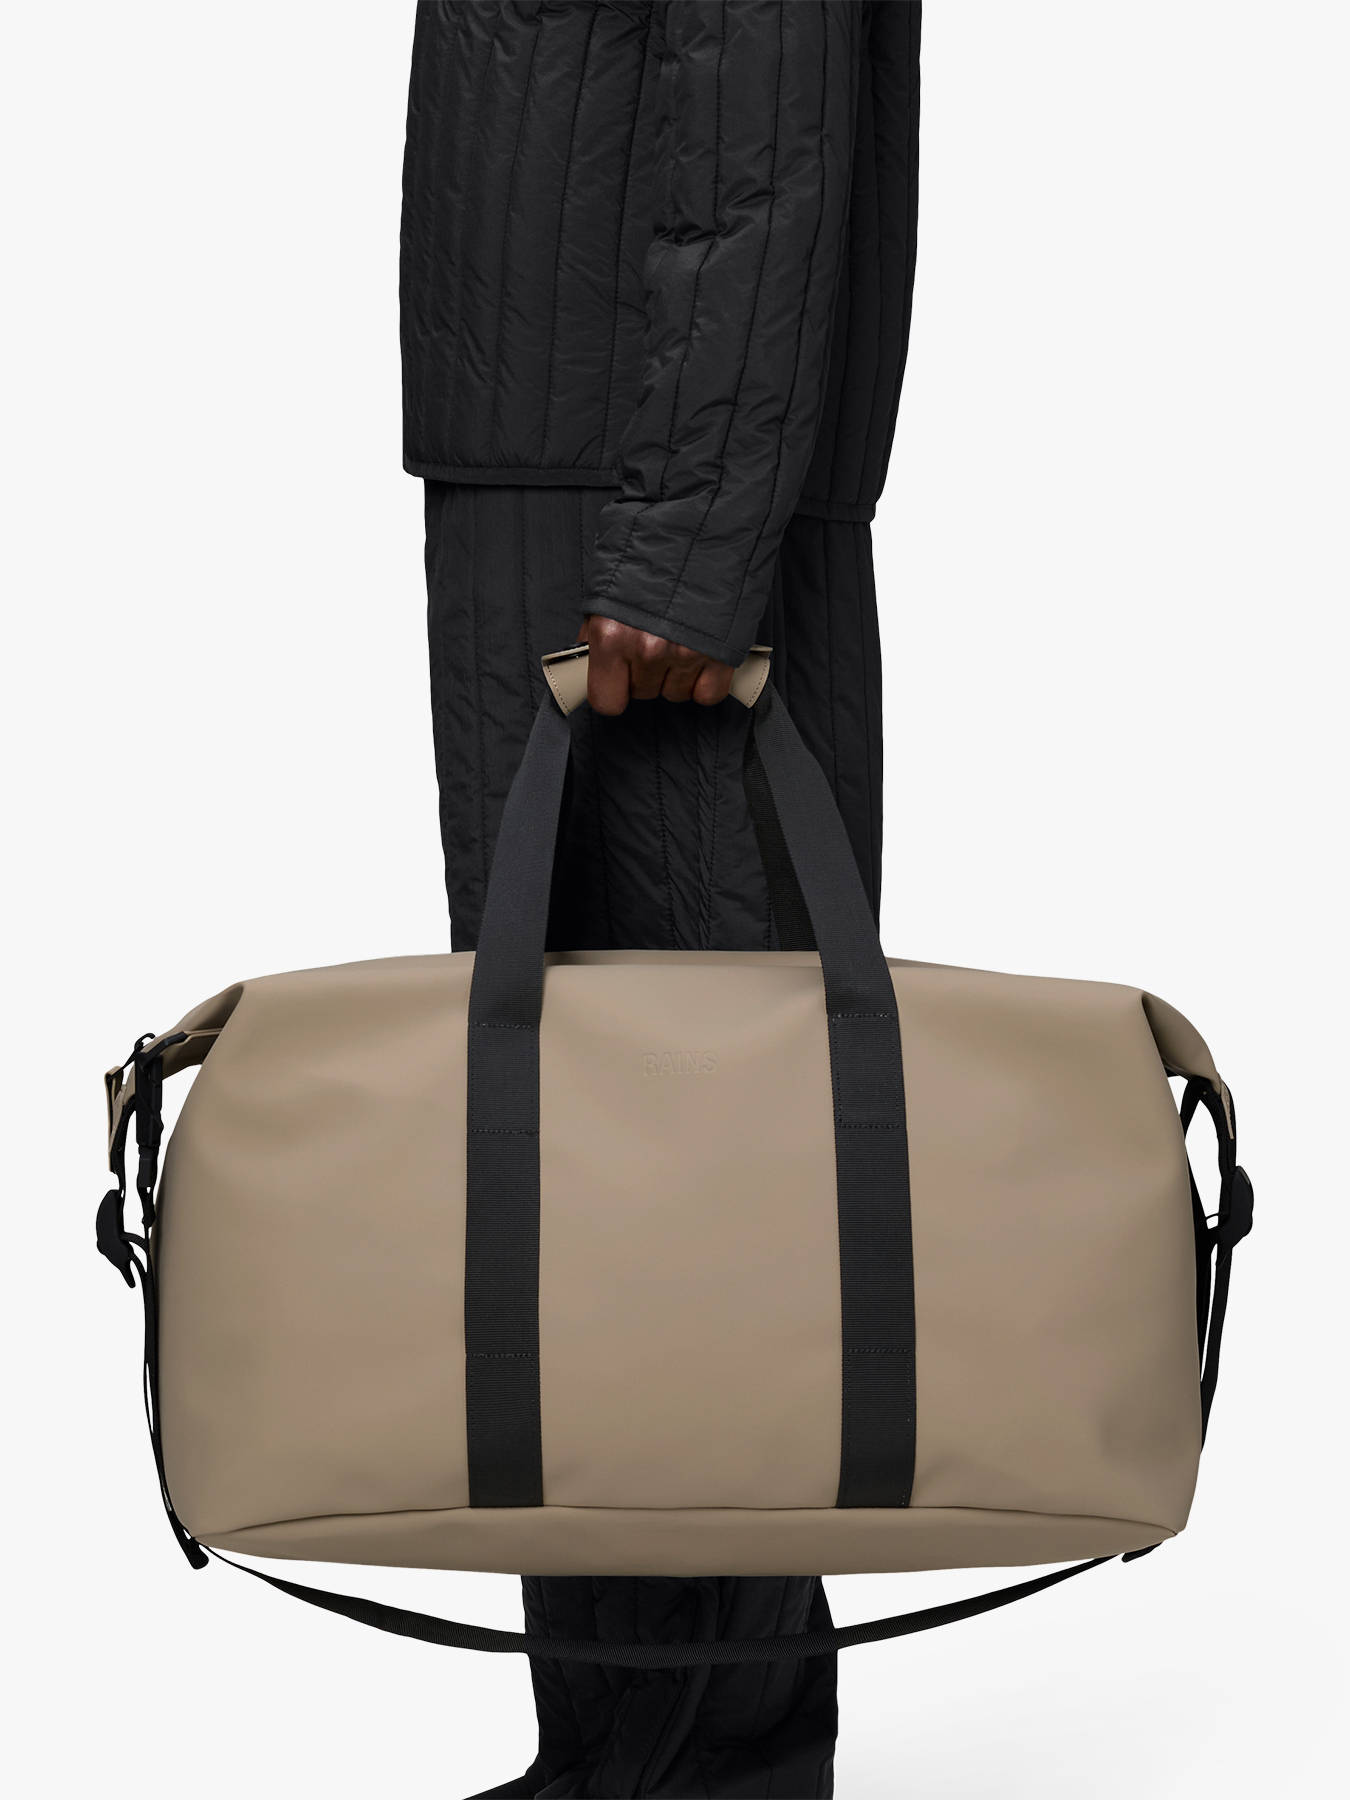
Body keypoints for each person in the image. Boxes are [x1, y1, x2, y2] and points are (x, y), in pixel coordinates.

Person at [401, 4, 921, 1793]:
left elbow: (763, 84)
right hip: (557, 457)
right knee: (581, 1175)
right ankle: (621, 1752)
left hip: (633, 502)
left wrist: (685, 537)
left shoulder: (656, 540)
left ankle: (712, 1766)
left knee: (698, 1174)